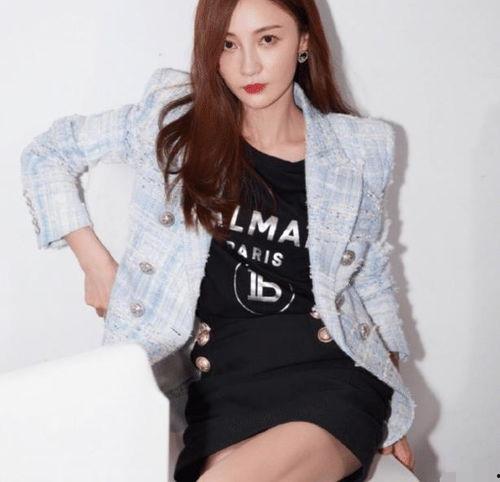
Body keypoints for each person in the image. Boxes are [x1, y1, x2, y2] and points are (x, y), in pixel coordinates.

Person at [20, 0, 416, 480]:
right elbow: (47, 154)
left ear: (304, 40)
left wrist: (391, 406)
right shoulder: (173, 123)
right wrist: (96, 266)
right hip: (220, 394)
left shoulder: (359, 149)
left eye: (267, 39)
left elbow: (372, 281)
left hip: (330, 379)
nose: (248, 66)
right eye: (228, 45)